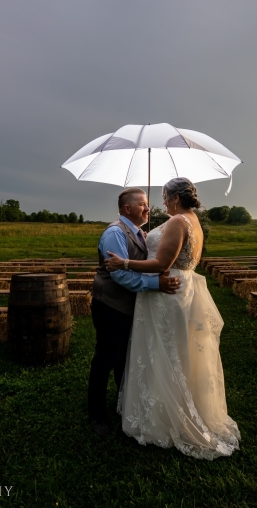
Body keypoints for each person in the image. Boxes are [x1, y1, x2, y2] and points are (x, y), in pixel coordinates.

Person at [105, 177, 240, 460]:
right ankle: (171, 407)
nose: (161, 202)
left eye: (165, 197)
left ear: (176, 198)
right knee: (177, 352)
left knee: (164, 352)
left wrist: (124, 262)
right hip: (183, 288)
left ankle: (165, 417)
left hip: (167, 293)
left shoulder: (179, 222)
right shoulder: (192, 220)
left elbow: (162, 264)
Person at [88, 187, 181, 437]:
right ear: (127, 208)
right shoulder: (115, 233)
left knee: (124, 359)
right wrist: (156, 284)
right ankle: (96, 415)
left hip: (129, 307)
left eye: (147, 203)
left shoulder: (140, 232)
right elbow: (119, 275)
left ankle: (123, 405)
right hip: (110, 305)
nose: (148, 208)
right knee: (105, 359)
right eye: (142, 204)